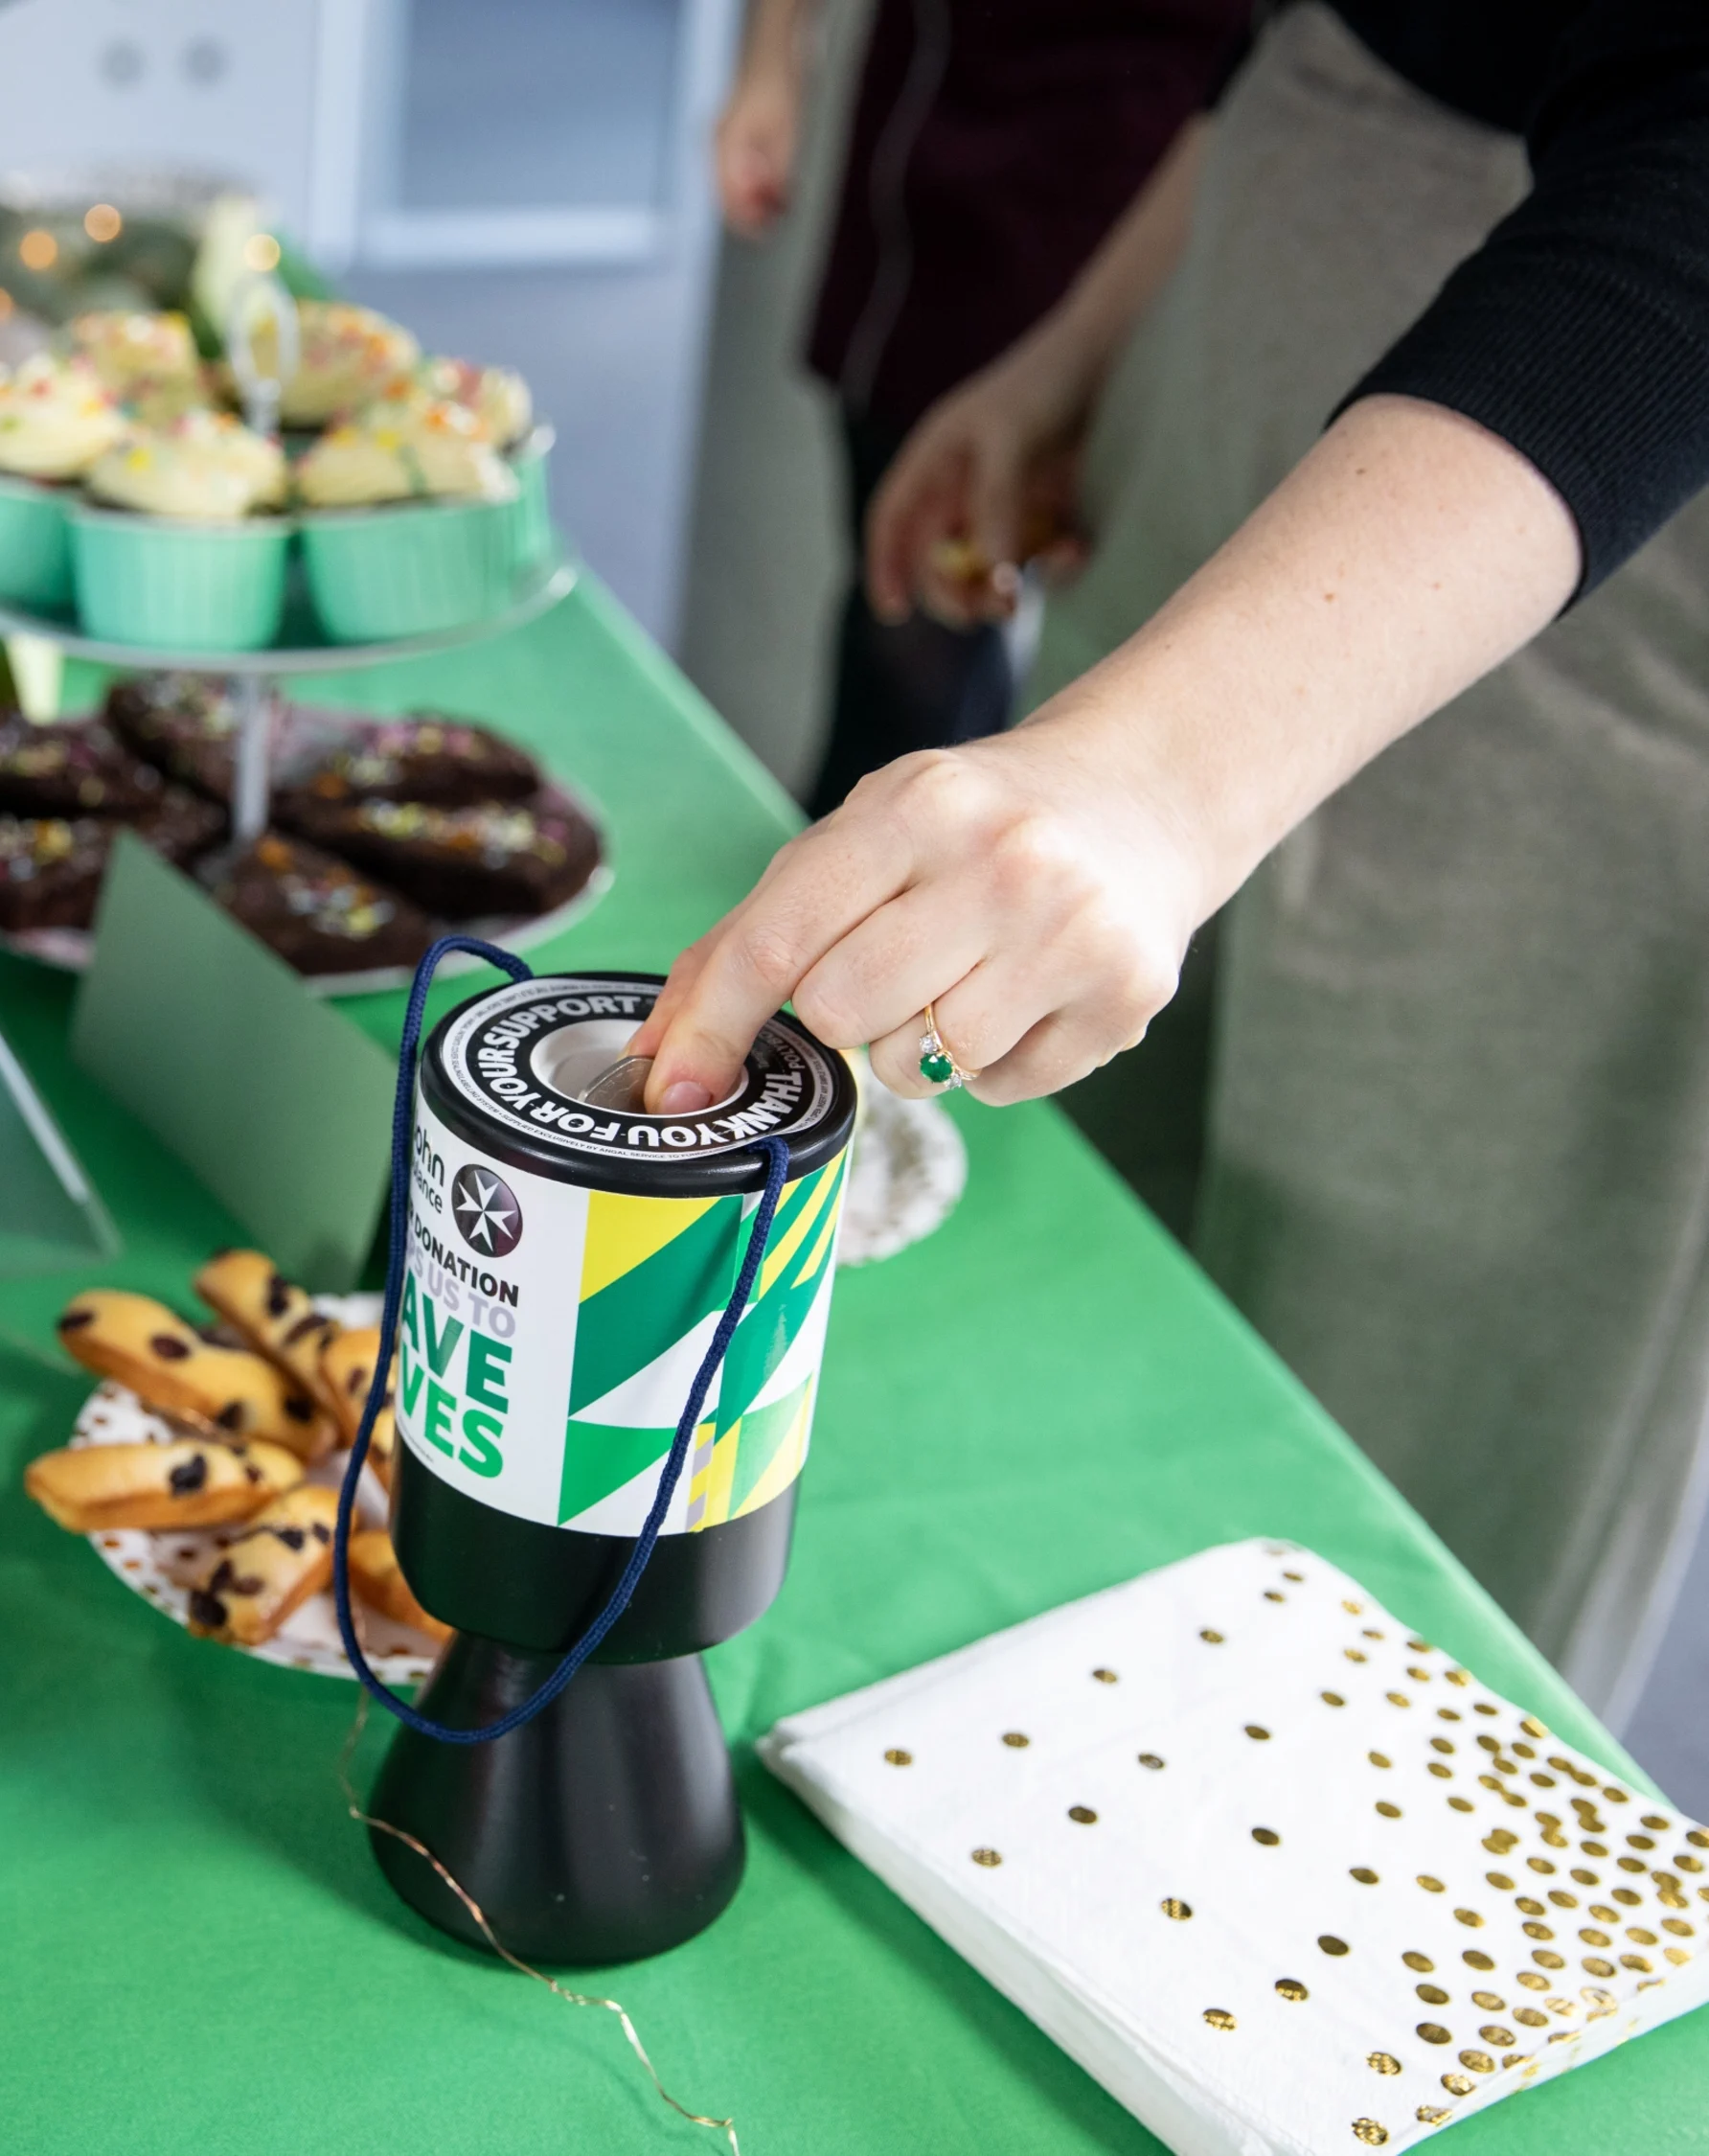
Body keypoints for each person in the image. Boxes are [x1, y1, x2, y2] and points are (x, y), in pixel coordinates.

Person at [641, 1, 1709, 1721]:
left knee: (1386, 1517)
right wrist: (1094, 341)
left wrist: (1157, 779)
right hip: (1261, 290)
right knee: (1055, 1270)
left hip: (1606, 481)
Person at [711, 0, 1251, 814]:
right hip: (954, 171)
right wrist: (770, 59)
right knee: (915, 622)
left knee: (1126, 649)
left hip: (1189, 176)